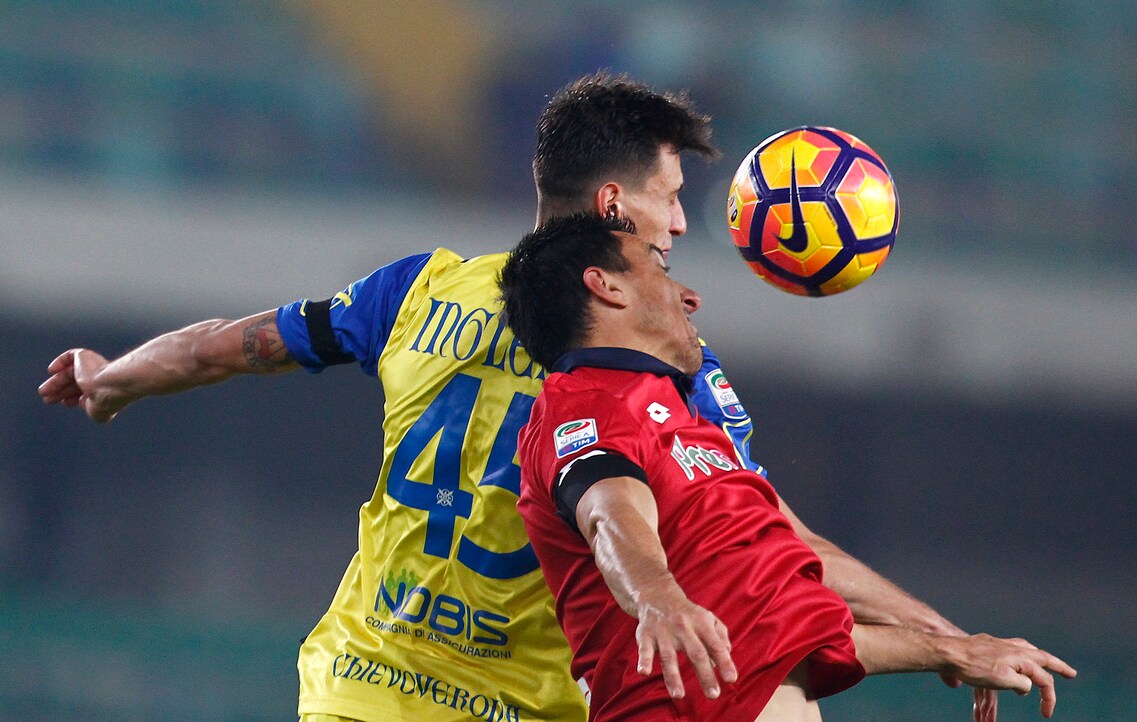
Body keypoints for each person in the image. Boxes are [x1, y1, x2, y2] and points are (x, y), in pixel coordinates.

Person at [38, 72, 1016, 720]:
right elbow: (776, 543)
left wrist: (112, 379)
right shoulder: (663, 375)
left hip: (361, 688)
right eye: (672, 196)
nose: (682, 224)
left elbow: (230, 346)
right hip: (525, 705)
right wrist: (943, 637)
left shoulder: (417, 290)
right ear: (614, 207)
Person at [500, 211, 1077, 722]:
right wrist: (657, 596)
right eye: (661, 268)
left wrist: (953, 644)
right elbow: (610, 513)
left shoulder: (698, 433)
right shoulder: (583, 401)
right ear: (606, 286)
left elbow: (805, 566)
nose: (689, 295)